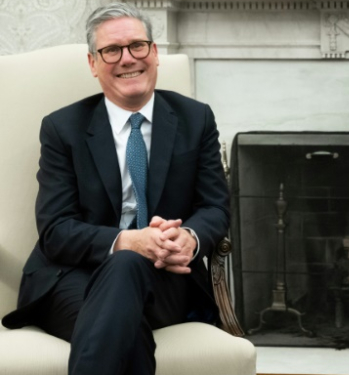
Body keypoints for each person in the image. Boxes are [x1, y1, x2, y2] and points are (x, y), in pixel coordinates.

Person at [0, 3, 230, 374]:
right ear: (93, 63)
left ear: (154, 53)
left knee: (123, 282)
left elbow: (216, 208)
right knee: (127, 326)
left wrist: (189, 237)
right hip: (72, 277)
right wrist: (127, 242)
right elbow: (56, 230)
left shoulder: (195, 118)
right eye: (112, 50)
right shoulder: (63, 129)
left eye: (137, 46)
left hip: (165, 276)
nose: (128, 59)